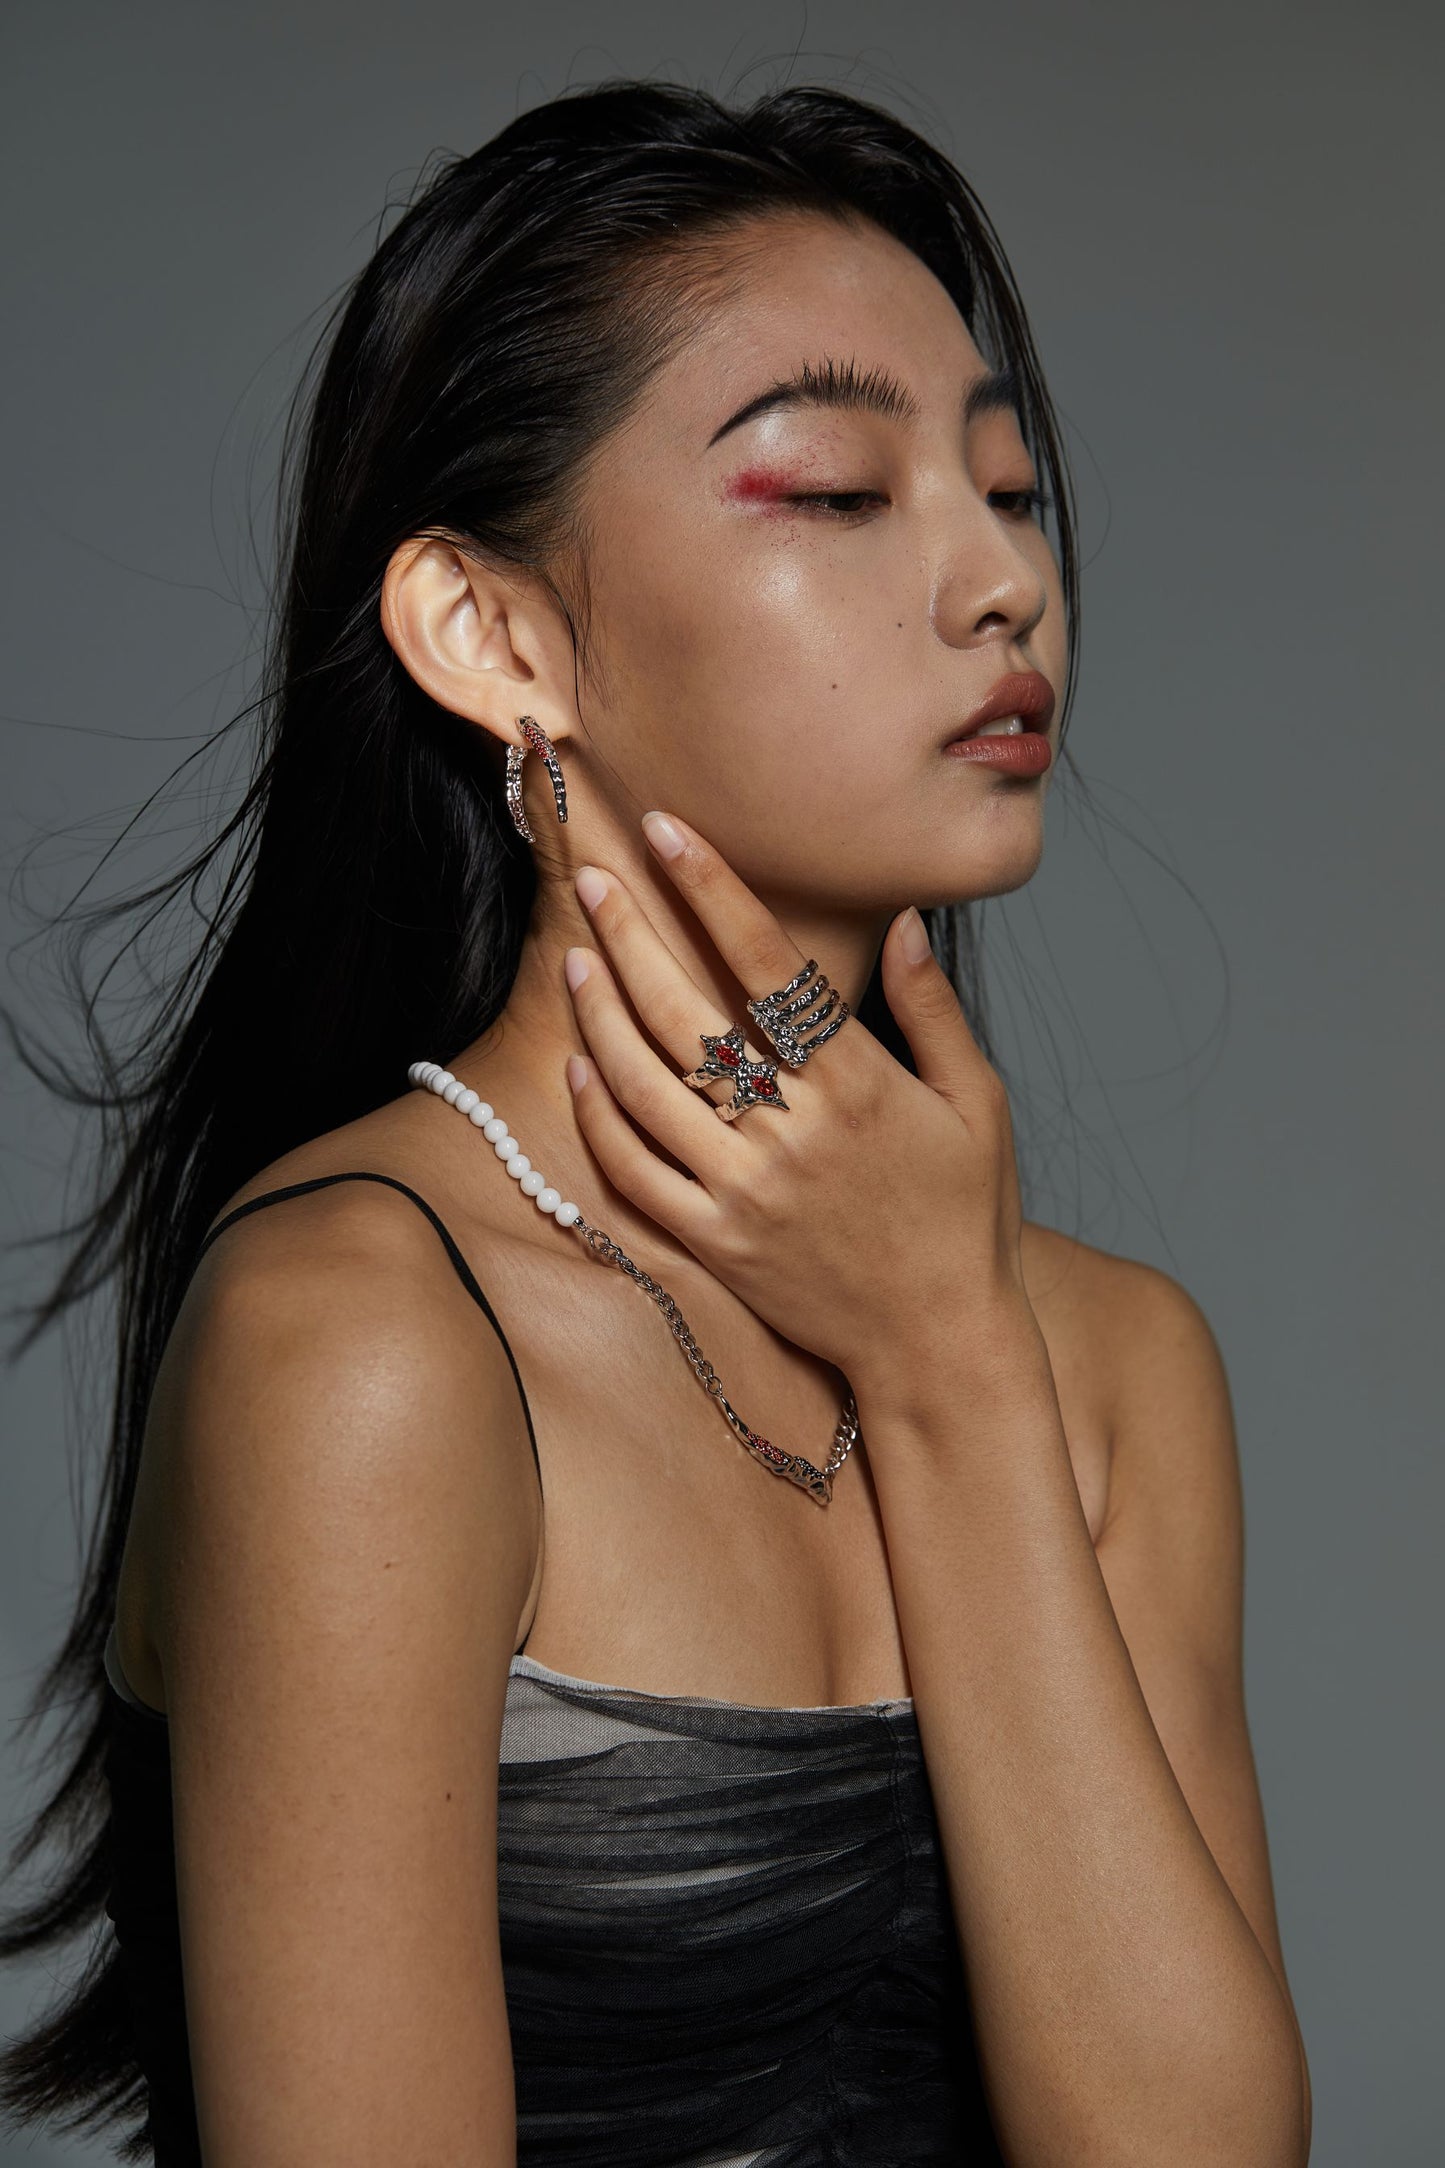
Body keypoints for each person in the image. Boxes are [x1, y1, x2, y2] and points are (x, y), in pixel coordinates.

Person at [0, 77, 1311, 2167]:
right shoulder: (364, 1340)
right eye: (838, 492)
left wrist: (947, 1360)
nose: (1002, 581)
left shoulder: (1109, 1364)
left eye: (1011, 490)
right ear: (493, 633)